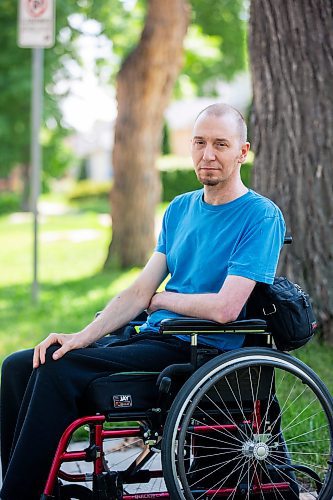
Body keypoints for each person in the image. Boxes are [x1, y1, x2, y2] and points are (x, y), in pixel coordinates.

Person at [0, 103, 285, 499]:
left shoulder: (260, 216)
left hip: (198, 350)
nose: (208, 154)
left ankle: (19, 493)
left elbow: (226, 309)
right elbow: (138, 292)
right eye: (200, 142)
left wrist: (163, 300)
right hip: (155, 337)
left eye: (221, 144)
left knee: (56, 371)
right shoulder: (180, 209)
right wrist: (79, 336)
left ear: (243, 150)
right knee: (19, 365)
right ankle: (35, 481)